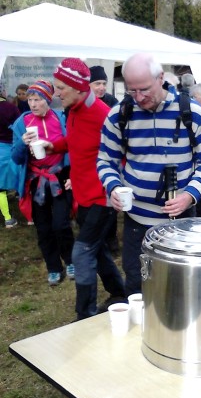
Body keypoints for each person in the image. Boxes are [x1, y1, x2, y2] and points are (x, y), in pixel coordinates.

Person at [97, 53, 201, 296]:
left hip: (181, 222)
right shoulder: (120, 114)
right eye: (132, 90)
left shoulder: (191, 111)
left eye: (144, 89)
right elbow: (106, 160)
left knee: (183, 288)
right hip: (137, 223)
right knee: (138, 285)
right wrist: (113, 187)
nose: (139, 97)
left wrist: (189, 195)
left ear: (161, 78)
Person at [45, 59, 125, 318]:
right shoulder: (73, 110)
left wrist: (116, 187)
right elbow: (75, 141)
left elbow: (122, 153)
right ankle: (119, 292)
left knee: (82, 252)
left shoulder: (103, 115)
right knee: (96, 250)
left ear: (79, 87)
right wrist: (52, 146)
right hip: (82, 196)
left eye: (61, 88)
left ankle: (84, 315)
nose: (56, 93)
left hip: (102, 198)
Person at [11, 81, 75, 285]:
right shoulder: (22, 122)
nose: (32, 104)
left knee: (61, 224)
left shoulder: (60, 118)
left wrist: (73, 174)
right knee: (43, 227)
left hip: (59, 176)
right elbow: (16, 158)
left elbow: (72, 147)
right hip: (36, 180)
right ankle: (53, 267)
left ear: (47, 99)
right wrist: (22, 143)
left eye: (37, 99)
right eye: (30, 99)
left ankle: (71, 260)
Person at [89, 65, 120, 255]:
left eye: (103, 83)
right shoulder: (84, 104)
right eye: (97, 83)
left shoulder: (112, 102)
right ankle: (96, 237)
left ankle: (111, 238)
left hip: (109, 156)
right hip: (91, 157)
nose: (101, 87)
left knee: (110, 197)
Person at [0, 93, 20, 228]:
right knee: (22, 181)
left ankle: (8, 218)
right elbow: (20, 127)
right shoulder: (10, 107)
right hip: (10, 149)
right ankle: (31, 217)